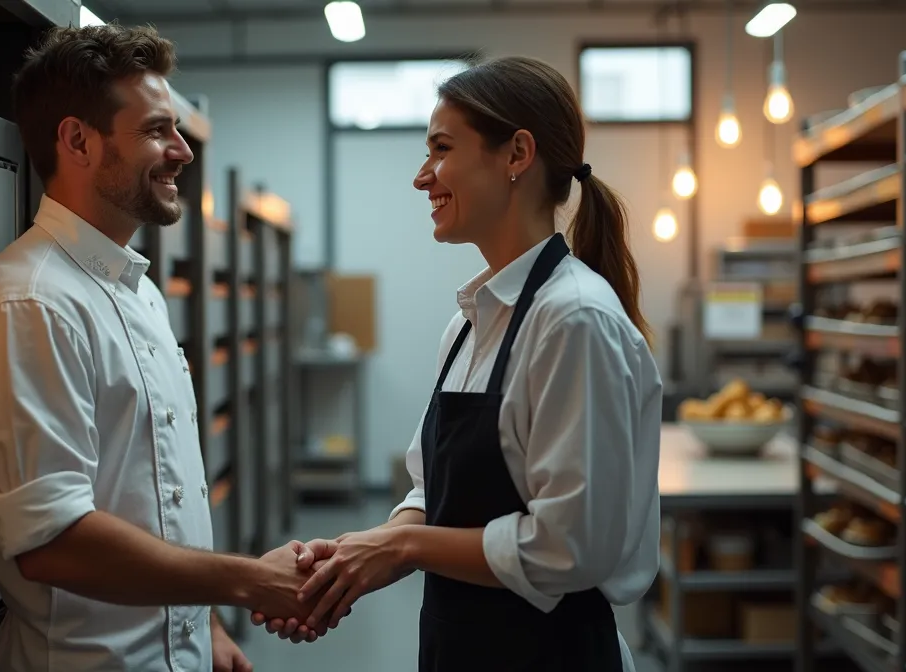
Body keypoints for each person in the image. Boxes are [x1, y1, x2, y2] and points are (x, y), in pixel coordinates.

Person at [252, 56, 663, 671]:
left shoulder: (574, 321)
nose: (423, 177)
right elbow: (431, 487)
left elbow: (568, 548)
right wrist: (351, 560)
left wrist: (404, 546)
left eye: (441, 149)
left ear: (516, 155)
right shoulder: (472, 320)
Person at [0, 24, 329, 672]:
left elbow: (154, 495)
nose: (182, 151)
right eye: (158, 130)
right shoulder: (34, 305)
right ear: (78, 141)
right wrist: (242, 582)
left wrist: (202, 627)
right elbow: (52, 540)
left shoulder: (136, 289)